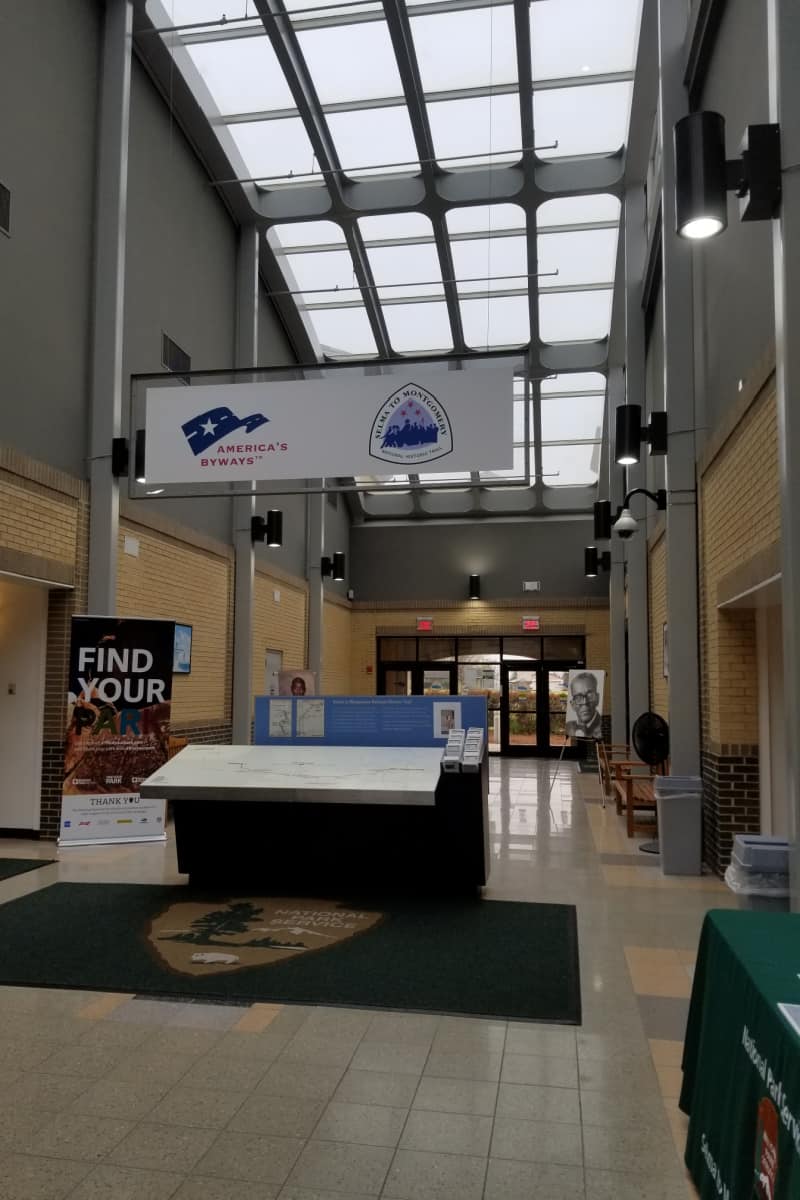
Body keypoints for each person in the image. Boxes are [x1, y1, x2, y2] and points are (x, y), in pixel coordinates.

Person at [565, 671, 602, 739]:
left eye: (589, 695)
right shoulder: (569, 727)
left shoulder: (601, 727)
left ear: (597, 698)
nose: (585, 702)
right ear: (572, 704)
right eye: (578, 697)